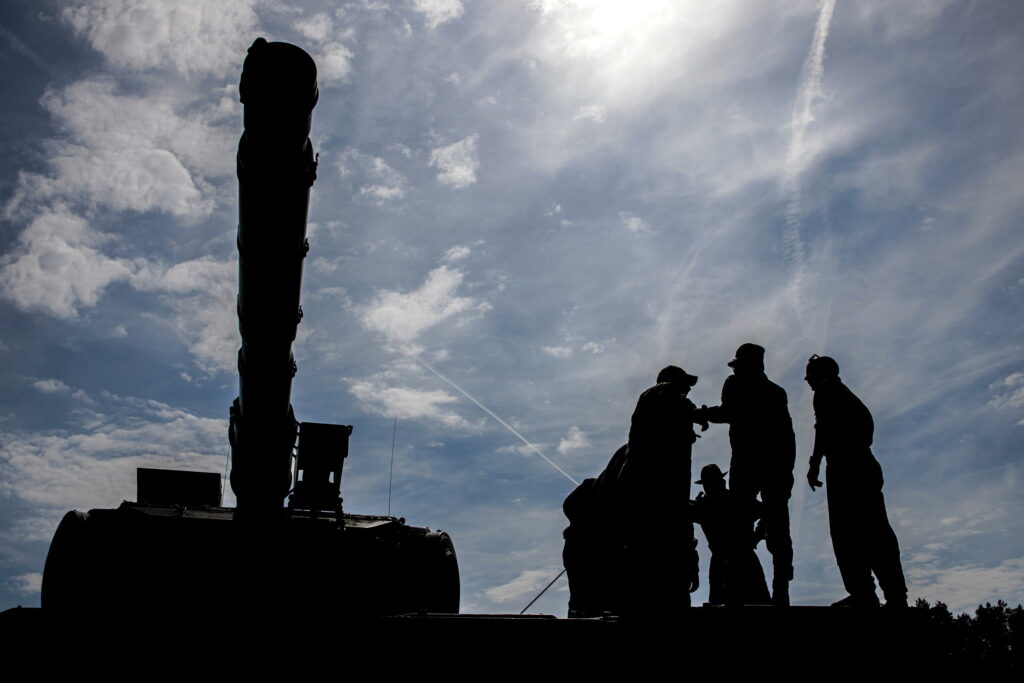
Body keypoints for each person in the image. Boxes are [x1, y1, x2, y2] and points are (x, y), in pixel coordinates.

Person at [805, 355, 908, 607]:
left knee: (849, 533)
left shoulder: (826, 391)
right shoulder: (846, 395)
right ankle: (889, 593)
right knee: (872, 529)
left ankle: (867, 593)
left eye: (809, 375)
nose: (807, 380)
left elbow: (824, 429)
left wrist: (814, 463)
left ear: (820, 374)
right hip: (860, 465)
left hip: (846, 467)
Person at [696, 343, 795, 606]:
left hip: (749, 464)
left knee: (742, 528)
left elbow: (728, 412)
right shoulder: (776, 392)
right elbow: (788, 437)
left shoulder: (737, 385)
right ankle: (779, 591)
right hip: (774, 466)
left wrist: (702, 414)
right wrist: (787, 471)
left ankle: (741, 593)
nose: (735, 370)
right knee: (773, 528)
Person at [690, 463, 771, 605]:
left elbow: (767, 512)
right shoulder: (705, 506)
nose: (707, 488)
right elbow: (766, 512)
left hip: (742, 559)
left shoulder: (736, 501)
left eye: (709, 483)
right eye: (706, 484)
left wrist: (756, 537)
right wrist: (756, 537)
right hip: (728, 560)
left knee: (757, 604)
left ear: (720, 482)